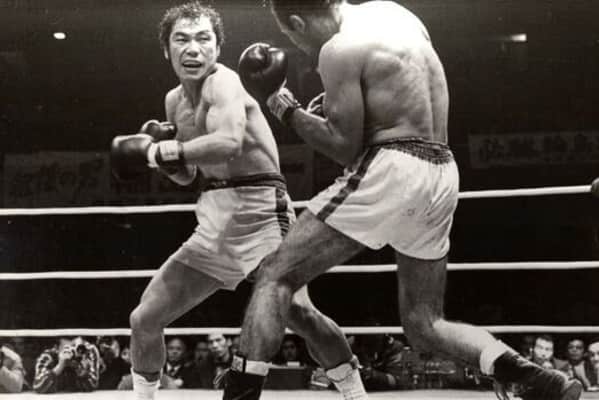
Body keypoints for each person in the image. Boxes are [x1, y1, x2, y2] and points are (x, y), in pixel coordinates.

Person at [224, 1, 584, 400]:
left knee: (274, 274)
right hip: (442, 172)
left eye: (292, 36)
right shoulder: (396, 13)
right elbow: (402, 91)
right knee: (424, 324)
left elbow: (343, 147)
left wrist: (282, 105)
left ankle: (238, 396)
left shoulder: (337, 48)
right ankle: (535, 378)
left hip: (394, 168)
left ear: (296, 22)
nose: (301, 47)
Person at [110, 2, 367, 399]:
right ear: (167, 49)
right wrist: (163, 162)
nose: (193, 48)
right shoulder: (174, 101)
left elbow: (228, 142)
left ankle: (355, 392)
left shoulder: (225, 83)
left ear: (217, 47)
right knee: (145, 317)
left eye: (203, 39)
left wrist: (157, 153)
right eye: (182, 39)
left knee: (300, 313)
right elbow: (189, 174)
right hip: (213, 220)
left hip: (261, 211)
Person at [33, 337, 99, 393]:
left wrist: (81, 370)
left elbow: (93, 384)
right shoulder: (49, 354)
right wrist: (59, 366)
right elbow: (38, 386)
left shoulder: (87, 350)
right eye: (67, 347)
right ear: (57, 348)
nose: (72, 351)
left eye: (75, 347)